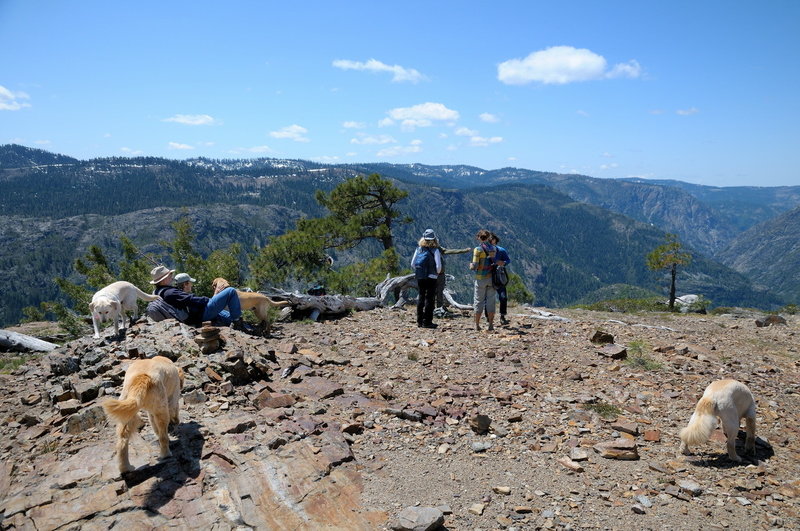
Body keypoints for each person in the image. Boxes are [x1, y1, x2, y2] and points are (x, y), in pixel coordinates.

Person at [149, 265, 250, 331]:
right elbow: (191, 300)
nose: (171, 277)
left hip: (193, 316)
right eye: (169, 275)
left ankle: (243, 325)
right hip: (199, 316)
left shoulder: (158, 291)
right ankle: (237, 323)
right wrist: (208, 300)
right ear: (164, 280)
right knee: (230, 291)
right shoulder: (170, 292)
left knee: (223, 314)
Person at [410, 229, 442, 329]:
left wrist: (419, 272)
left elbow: (413, 264)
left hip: (420, 277)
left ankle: (419, 321)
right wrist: (436, 273)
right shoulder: (435, 250)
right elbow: (438, 266)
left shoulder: (419, 249)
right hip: (432, 277)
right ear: (434, 239)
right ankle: (427, 322)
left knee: (421, 297)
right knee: (430, 299)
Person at [469, 229, 496, 331]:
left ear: (478, 237)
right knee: (491, 302)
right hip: (491, 278)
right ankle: (490, 325)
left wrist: (470, 266)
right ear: (488, 237)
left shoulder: (478, 250)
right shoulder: (493, 248)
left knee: (478, 301)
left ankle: (477, 325)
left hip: (480, 278)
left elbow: (475, 265)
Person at [435, 243, 471, 310]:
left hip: (430, 275)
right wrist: (464, 250)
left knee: (431, 292)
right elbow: (450, 251)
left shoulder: (423, 249)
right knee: (439, 292)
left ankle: (431, 310)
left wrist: (464, 250)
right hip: (439, 274)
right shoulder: (438, 248)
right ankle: (439, 309)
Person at [490, 233, 511, 325]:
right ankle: (488, 317)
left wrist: (503, 263)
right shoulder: (486, 251)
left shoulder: (501, 250)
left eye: (493, 243)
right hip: (489, 275)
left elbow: (508, 260)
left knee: (503, 297)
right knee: (489, 298)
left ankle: (502, 316)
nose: (492, 244)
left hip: (499, 275)